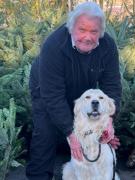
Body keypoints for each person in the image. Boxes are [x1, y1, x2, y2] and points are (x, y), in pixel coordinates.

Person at [26, 2, 121, 180]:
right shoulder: (53, 46)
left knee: (95, 132)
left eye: (94, 32)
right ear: (71, 28)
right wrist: (71, 133)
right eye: (82, 29)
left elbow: (112, 86)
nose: (87, 37)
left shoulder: (108, 46)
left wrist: (109, 119)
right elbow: (53, 97)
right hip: (46, 88)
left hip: (82, 88)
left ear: (100, 32)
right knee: (46, 133)